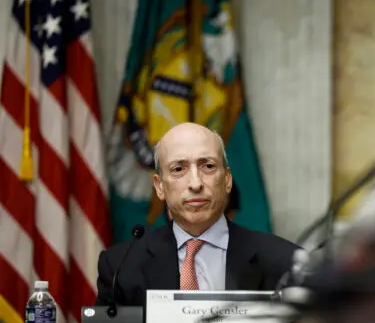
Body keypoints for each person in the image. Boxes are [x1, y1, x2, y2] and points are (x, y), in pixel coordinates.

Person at [96, 123, 299, 306]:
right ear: (159, 187)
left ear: (227, 179)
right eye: (178, 169)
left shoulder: (283, 262)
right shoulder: (120, 267)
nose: (195, 183)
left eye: (208, 166)